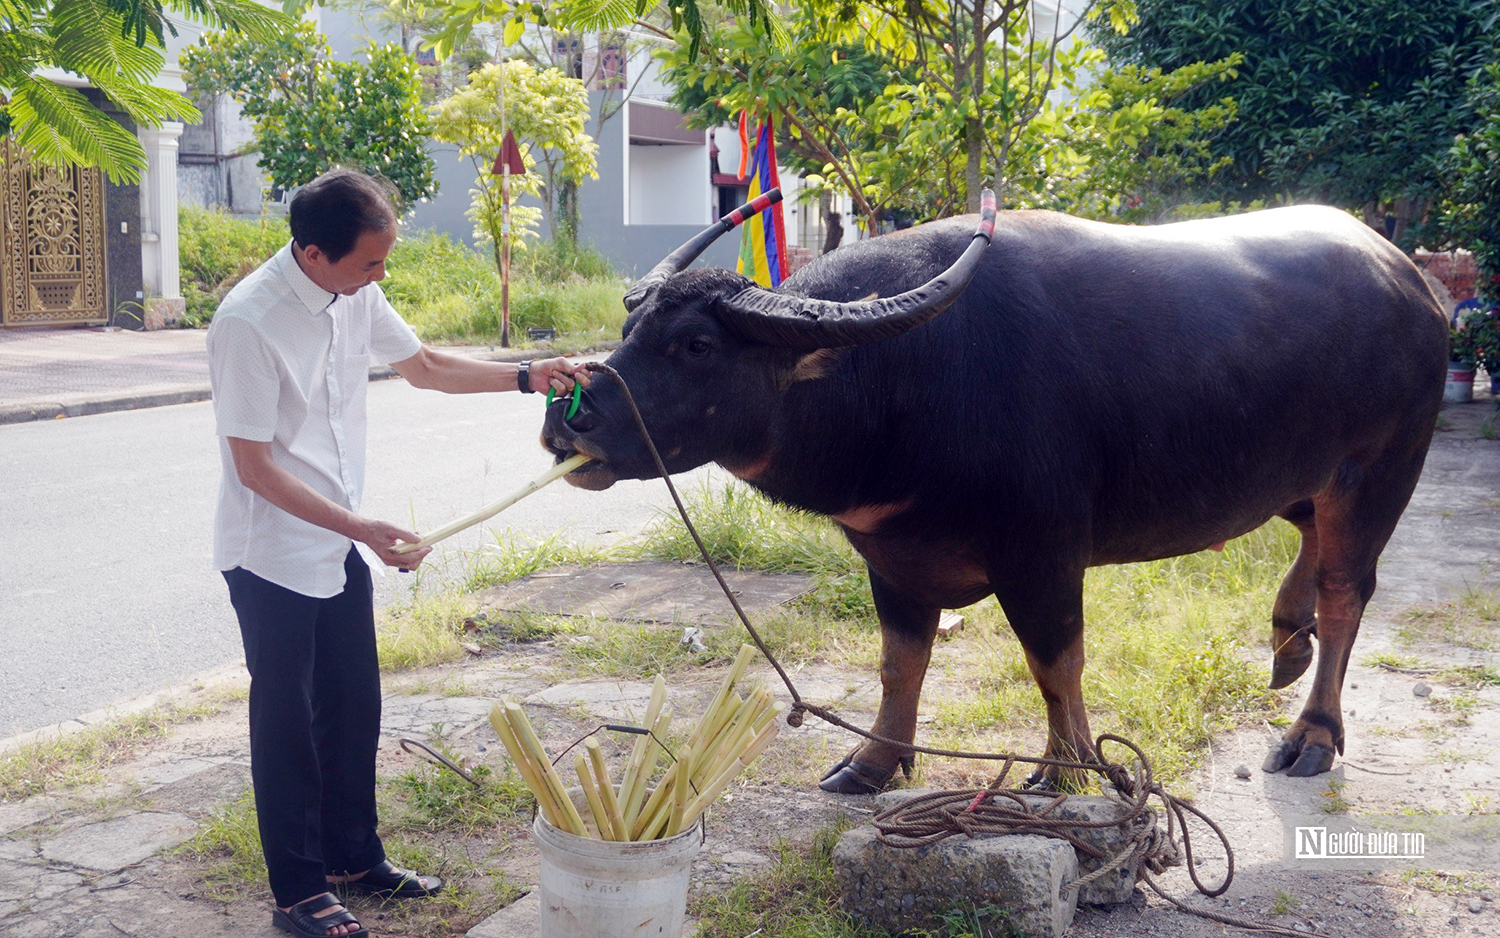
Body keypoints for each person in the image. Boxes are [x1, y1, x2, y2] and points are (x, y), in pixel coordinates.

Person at [207, 168, 588, 938]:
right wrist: (362, 529)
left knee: (353, 710)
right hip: (271, 552)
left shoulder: (355, 294)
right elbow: (254, 468)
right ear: (313, 254)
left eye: (384, 261)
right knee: (288, 727)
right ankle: (298, 891)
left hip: (335, 542)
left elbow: (425, 368)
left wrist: (527, 376)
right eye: (370, 264)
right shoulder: (248, 322)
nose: (383, 276)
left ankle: (353, 858)